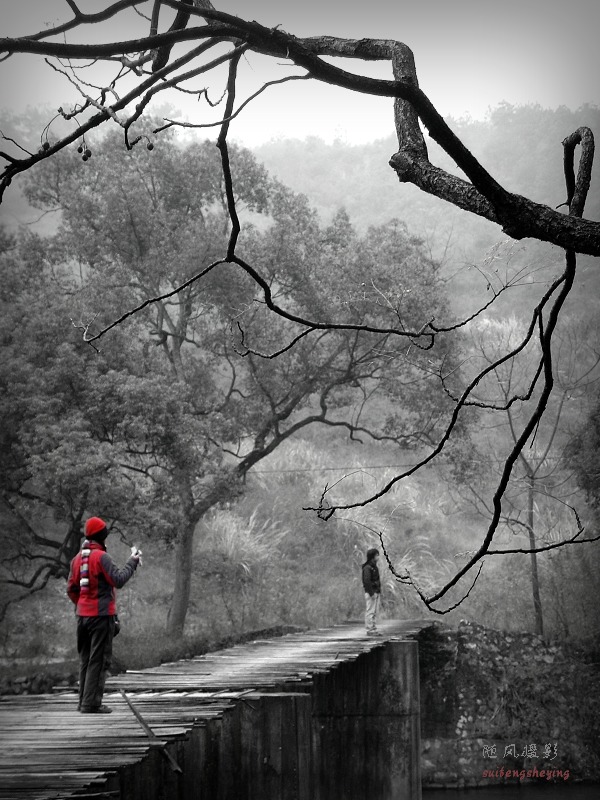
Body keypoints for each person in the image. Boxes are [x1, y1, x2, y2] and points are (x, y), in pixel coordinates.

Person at [67, 516, 141, 714]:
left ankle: (83, 701)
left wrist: (82, 605)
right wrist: (132, 562)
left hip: (82, 617)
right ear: (102, 536)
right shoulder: (101, 557)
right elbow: (118, 579)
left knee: (85, 659)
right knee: (98, 660)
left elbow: (72, 589)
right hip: (100, 617)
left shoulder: (77, 559)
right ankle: (91, 704)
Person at [362, 547, 382, 636]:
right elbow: (366, 581)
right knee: (370, 611)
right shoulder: (367, 568)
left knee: (374, 611)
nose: (378, 557)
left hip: (375, 591)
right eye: (377, 555)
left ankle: (373, 628)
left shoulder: (374, 567)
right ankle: (370, 629)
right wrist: (371, 593)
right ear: (372, 557)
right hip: (371, 592)